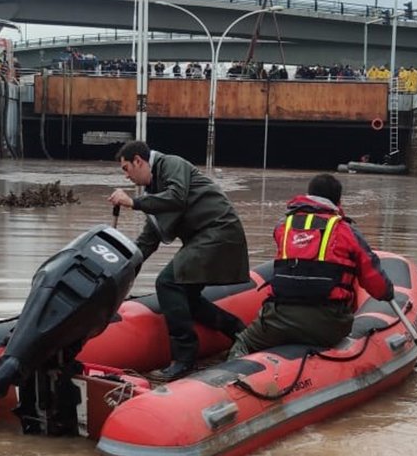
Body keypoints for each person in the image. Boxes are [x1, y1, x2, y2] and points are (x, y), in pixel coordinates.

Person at [108, 141, 250, 381]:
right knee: (187, 297)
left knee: (168, 283)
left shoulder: (170, 164)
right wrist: (119, 272)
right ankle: (239, 331)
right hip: (203, 238)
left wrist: (134, 203)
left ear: (138, 161)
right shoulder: (154, 193)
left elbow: (176, 197)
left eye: (126, 168)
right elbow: (147, 242)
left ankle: (184, 358)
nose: (126, 175)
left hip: (218, 231)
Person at [227, 174, 394, 358]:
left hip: (279, 319)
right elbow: (375, 282)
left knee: (243, 342)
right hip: (329, 325)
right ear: (338, 201)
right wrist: (388, 293)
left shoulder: (283, 227)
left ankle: (229, 380)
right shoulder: (347, 231)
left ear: (308, 194)